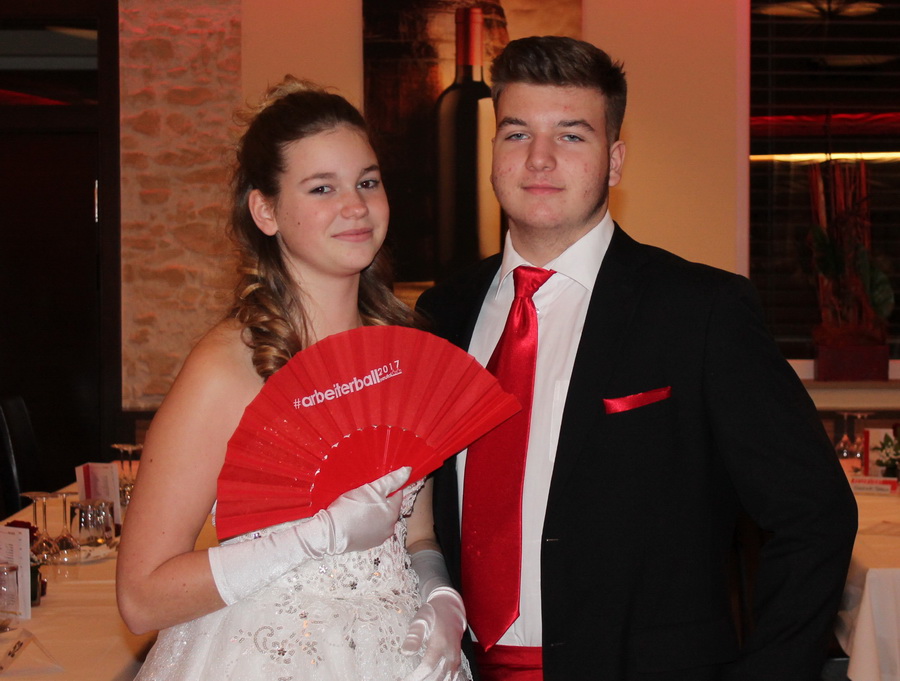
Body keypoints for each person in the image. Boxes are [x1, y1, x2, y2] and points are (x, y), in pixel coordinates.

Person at [416, 36, 857, 681]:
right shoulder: (442, 313)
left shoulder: (701, 311)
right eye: (517, 133)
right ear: (493, 154)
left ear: (615, 161)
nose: (539, 158)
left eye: (571, 135)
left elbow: (815, 515)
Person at [117, 77, 468, 681]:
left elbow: (418, 533)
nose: (355, 206)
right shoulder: (227, 367)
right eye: (322, 188)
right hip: (265, 655)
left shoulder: (405, 353)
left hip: (399, 655)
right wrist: (315, 537)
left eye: (367, 182)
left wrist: (440, 593)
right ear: (266, 210)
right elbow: (141, 595)